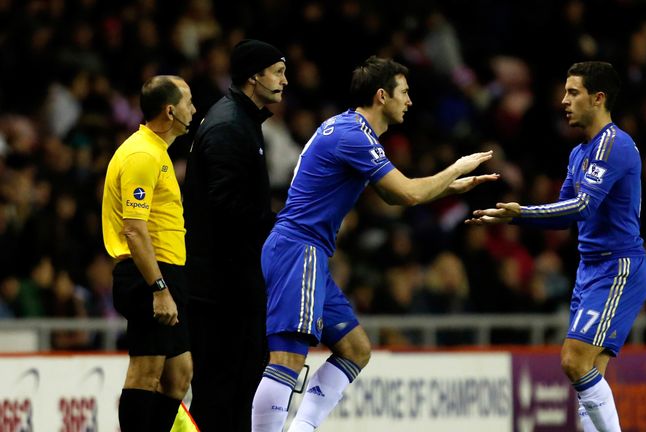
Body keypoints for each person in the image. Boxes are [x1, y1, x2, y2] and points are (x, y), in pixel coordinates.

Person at [250, 56, 499, 432]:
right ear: (382, 96)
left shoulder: (344, 127)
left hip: (306, 251)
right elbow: (408, 194)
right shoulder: (354, 135)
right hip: (297, 249)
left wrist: (449, 186)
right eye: (404, 93)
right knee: (286, 358)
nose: (410, 101)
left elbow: (395, 197)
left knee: (356, 349)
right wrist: (457, 168)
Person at [466, 61, 646, 432]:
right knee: (587, 375)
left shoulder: (615, 145)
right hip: (590, 270)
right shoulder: (579, 154)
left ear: (598, 98)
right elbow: (565, 217)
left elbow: (583, 205)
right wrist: (515, 217)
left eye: (573, 93)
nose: (563, 101)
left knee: (573, 360)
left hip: (618, 268)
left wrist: (522, 212)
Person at [182, 39, 287, 432]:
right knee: (223, 392)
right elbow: (226, 208)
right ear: (253, 76)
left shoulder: (239, 120)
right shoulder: (229, 126)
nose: (284, 81)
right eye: (277, 72)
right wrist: (278, 225)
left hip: (231, 285)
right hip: (223, 291)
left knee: (234, 390)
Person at [102, 75, 196, 432]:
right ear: (170, 110)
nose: (194, 109)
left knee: (179, 373)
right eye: (188, 102)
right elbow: (134, 229)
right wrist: (159, 288)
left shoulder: (157, 152)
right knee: (146, 370)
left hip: (168, 272)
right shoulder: (142, 154)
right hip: (148, 275)